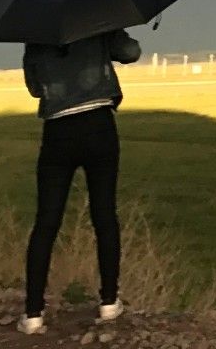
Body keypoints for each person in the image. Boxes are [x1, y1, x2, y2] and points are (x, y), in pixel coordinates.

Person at [18, 27, 141, 333]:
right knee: (104, 214)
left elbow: (35, 88)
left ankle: (33, 314)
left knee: (46, 221)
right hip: (99, 125)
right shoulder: (98, 22)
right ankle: (109, 303)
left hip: (58, 131)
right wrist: (115, 32)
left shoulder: (37, 33)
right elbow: (130, 53)